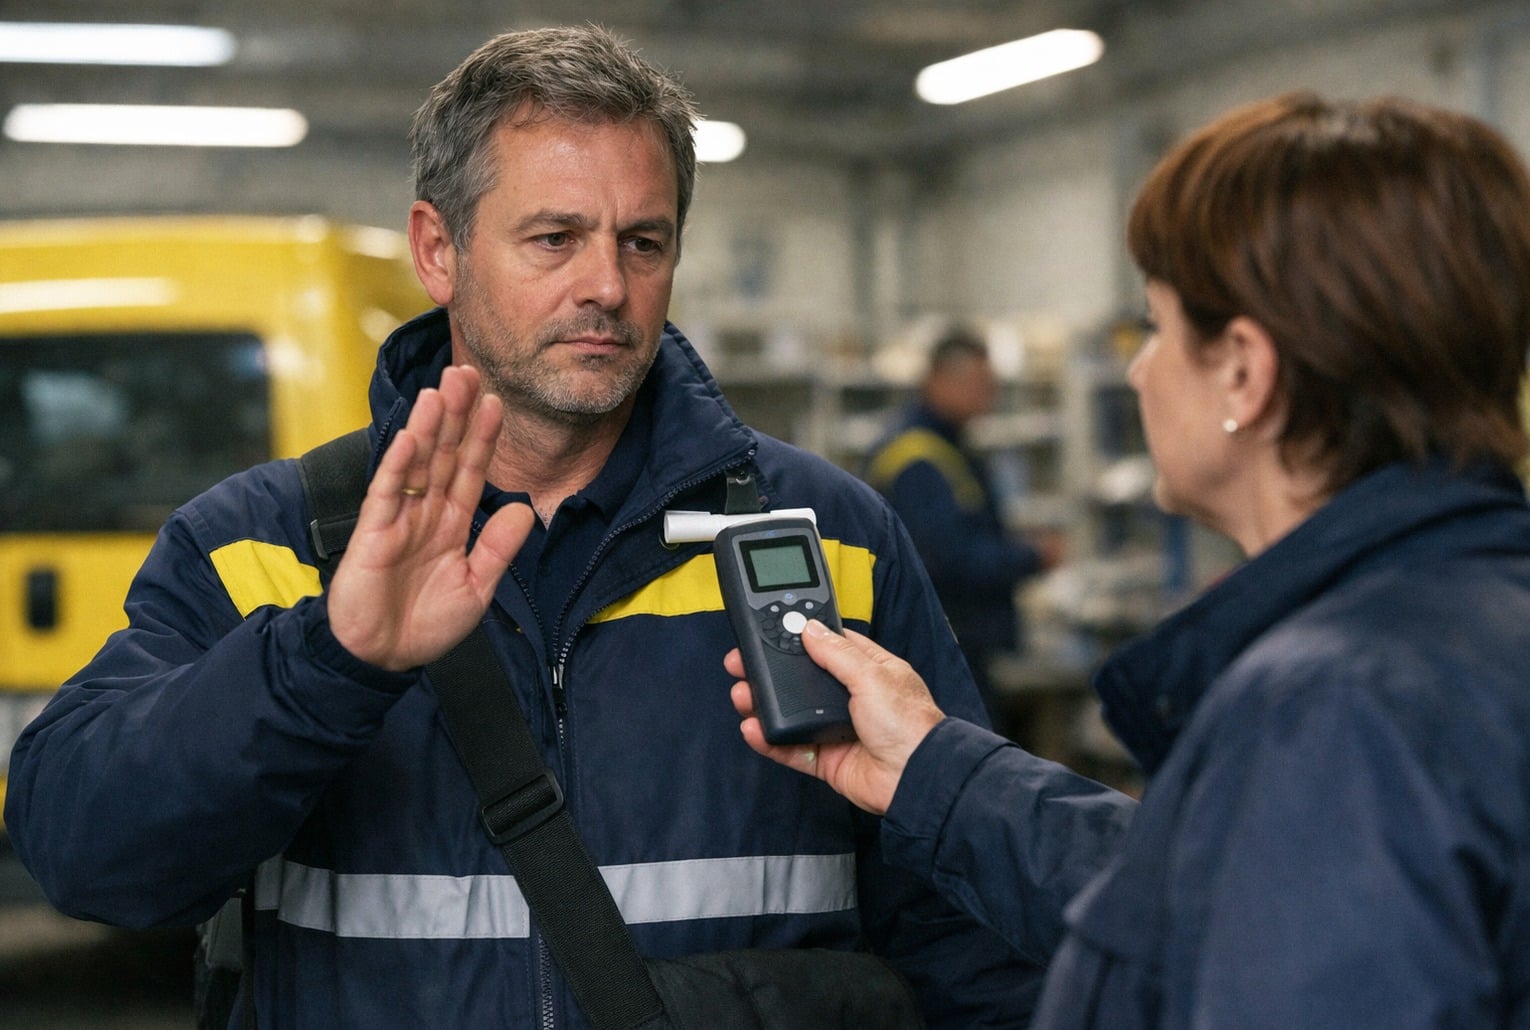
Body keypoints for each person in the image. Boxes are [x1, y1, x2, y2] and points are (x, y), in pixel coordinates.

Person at [4, 25, 1043, 1029]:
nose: (606, 286)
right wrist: (331, 661)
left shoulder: (833, 539)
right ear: (438, 250)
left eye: (644, 241)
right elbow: (87, 855)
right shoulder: (261, 546)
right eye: (554, 239)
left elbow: (970, 936)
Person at [732, 91, 1530, 1027]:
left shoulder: (1335, 714)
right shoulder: (1467, 626)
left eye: (1156, 327)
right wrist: (936, 769)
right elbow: (1202, 895)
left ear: (1243, 368)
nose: (1141, 371)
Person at [862, 327, 1059, 718]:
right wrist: (1031, 556)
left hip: (960, 643)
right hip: (944, 647)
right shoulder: (916, 459)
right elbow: (948, 559)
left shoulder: (948, 446)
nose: (989, 397)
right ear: (937, 380)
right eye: (979, 384)